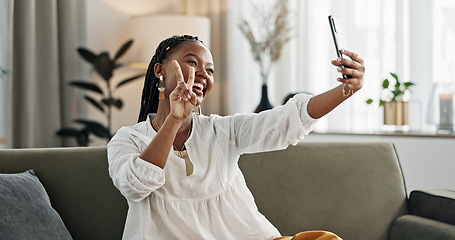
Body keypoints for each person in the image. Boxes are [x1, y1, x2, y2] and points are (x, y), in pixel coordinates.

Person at [107, 35, 365, 240]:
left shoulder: (222, 130)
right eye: (192, 62)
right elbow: (134, 185)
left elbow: (285, 121)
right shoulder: (127, 140)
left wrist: (345, 90)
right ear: (159, 70)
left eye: (210, 70)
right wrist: (174, 120)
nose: (203, 74)